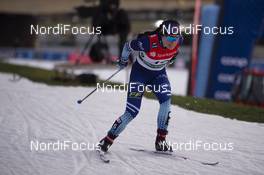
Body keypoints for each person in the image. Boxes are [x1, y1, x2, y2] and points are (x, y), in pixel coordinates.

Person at [98, 20, 183, 152]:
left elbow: (174, 53)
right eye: (171, 38)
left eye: (176, 38)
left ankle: (161, 141)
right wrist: (123, 60)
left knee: (166, 102)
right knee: (132, 112)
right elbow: (128, 46)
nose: (173, 41)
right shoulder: (148, 42)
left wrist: (171, 58)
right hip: (140, 75)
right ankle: (107, 140)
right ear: (163, 35)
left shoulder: (179, 41)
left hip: (158, 76)